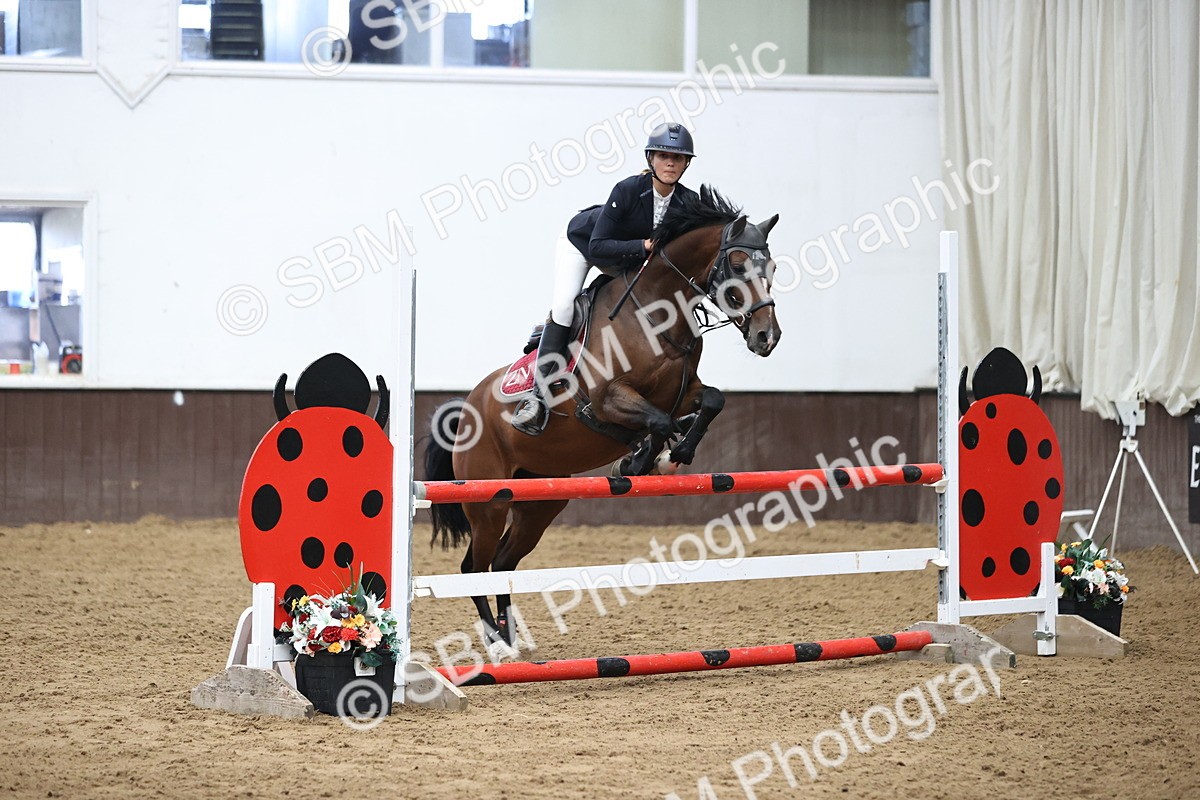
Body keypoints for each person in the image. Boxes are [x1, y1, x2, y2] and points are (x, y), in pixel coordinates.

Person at [511, 122, 700, 436]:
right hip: (583, 244)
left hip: (626, 258)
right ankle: (537, 398)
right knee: (565, 306)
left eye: (678, 158)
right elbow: (598, 246)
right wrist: (643, 246)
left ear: (686, 164)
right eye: (663, 155)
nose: (670, 163)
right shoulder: (628, 189)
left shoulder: (687, 202)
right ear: (651, 158)